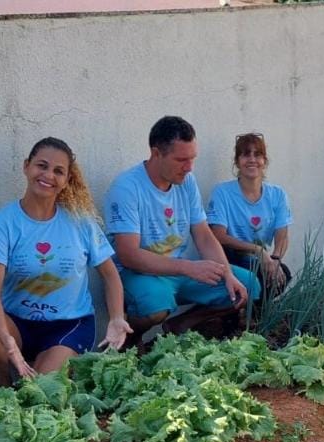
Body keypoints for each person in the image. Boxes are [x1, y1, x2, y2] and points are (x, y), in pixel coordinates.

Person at [0, 137, 131, 386]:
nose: (48, 175)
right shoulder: (3, 223)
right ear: (26, 166)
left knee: (41, 389)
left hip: (68, 326)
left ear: (66, 181)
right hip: (18, 325)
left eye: (58, 171)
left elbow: (110, 274)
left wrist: (117, 317)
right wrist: (7, 342)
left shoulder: (81, 221)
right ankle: (2, 388)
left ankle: (45, 375)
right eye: (41, 166)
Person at [103, 115, 260, 338]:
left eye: (192, 159)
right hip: (137, 274)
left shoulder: (186, 181)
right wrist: (188, 267)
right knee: (155, 306)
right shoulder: (127, 187)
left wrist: (226, 274)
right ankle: (129, 339)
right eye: (181, 160)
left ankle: (182, 324)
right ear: (156, 153)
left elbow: (204, 235)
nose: (189, 167)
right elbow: (128, 255)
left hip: (177, 270)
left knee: (247, 287)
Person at [206, 132, 292, 294]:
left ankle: (250, 316)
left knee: (282, 274)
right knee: (257, 277)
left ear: (264, 161)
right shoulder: (222, 192)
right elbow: (218, 235)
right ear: (237, 162)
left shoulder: (278, 194)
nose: (252, 159)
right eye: (246, 154)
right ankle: (235, 314)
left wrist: (275, 259)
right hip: (230, 257)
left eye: (257, 154)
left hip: (260, 260)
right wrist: (257, 250)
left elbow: (283, 234)